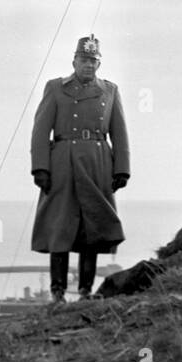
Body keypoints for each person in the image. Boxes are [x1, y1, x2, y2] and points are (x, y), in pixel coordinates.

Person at [30, 35, 130, 301]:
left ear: (99, 63)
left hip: (97, 163)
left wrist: (122, 168)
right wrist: (41, 168)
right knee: (59, 226)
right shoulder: (55, 88)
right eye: (84, 60)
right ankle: (57, 291)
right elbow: (40, 131)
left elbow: (119, 133)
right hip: (63, 162)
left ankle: (86, 290)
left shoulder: (110, 90)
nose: (88, 65)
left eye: (93, 61)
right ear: (74, 61)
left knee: (93, 227)